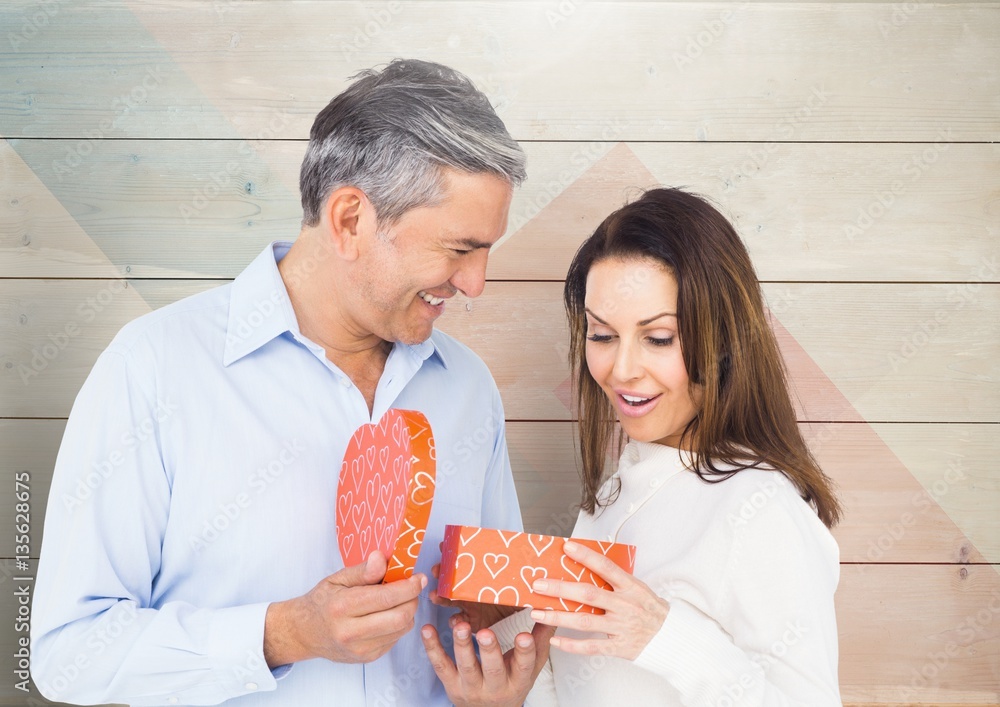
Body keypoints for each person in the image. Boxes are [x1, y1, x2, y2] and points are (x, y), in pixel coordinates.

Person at [31, 59, 550, 706]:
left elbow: (496, 621)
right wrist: (282, 633)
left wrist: (513, 659)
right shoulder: (156, 367)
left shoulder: (466, 386)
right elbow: (67, 653)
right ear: (351, 219)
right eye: (459, 249)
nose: (476, 283)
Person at [423, 187, 843, 705]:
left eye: (659, 338)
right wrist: (511, 644)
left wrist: (664, 635)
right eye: (602, 335)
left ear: (725, 337)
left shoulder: (759, 508)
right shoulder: (619, 491)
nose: (621, 371)